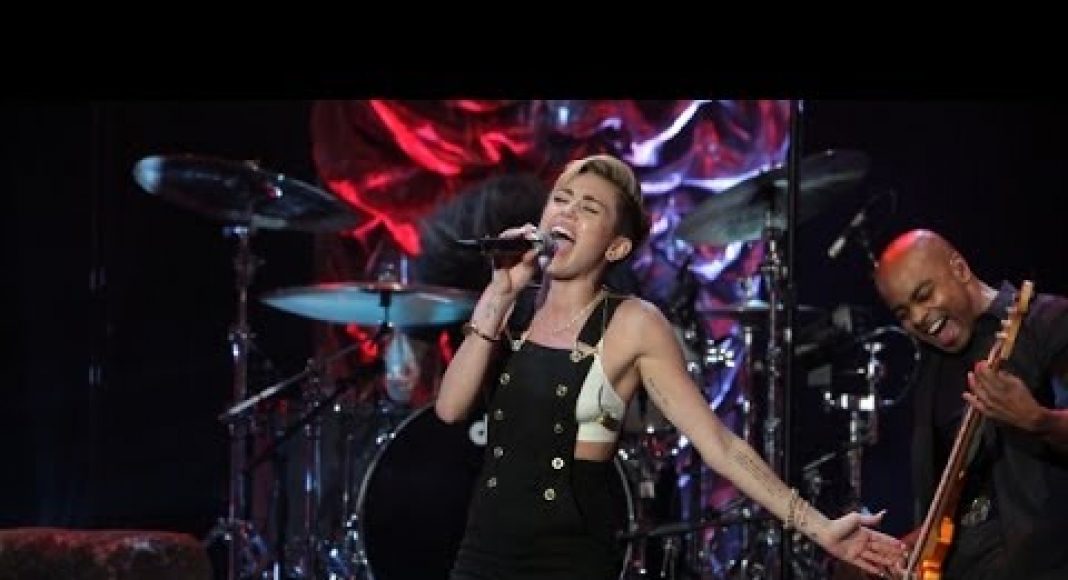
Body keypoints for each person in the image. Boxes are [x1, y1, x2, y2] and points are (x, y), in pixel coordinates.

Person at [434, 153, 908, 579]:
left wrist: (819, 527)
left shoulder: (633, 323)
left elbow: (719, 443)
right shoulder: (510, 309)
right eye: (561, 200)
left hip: (567, 555)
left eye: (589, 208)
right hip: (484, 548)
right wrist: (498, 294)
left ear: (615, 247)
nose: (567, 212)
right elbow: (450, 408)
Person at [872, 229, 1068, 579]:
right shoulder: (930, 371)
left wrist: (1039, 420)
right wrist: (907, 549)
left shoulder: (1046, 322)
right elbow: (954, 509)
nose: (918, 318)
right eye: (903, 313)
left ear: (960, 269)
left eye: (924, 295)